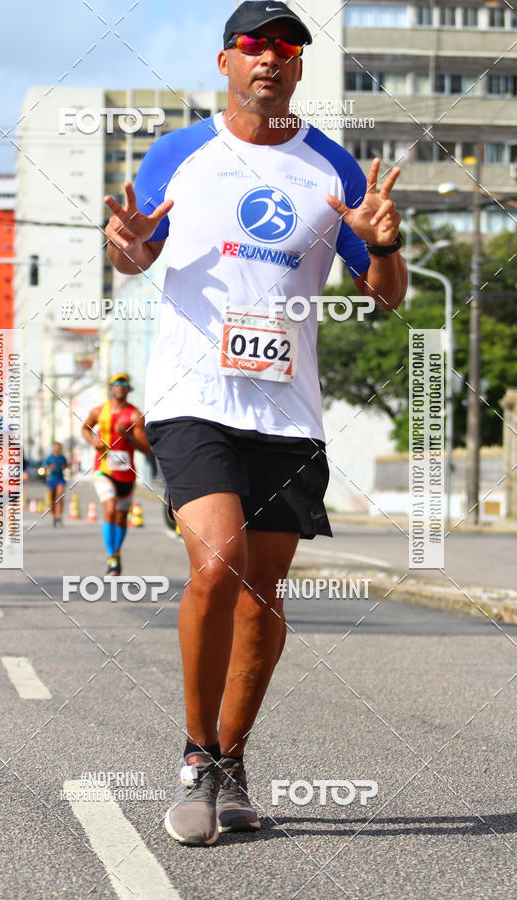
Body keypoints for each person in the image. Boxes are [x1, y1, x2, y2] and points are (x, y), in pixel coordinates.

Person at [104, 0, 406, 846]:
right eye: (253, 45)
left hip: (288, 407)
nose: (269, 58)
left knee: (262, 593)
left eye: (285, 47)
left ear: (300, 69)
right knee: (220, 561)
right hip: (193, 398)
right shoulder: (182, 153)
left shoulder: (332, 168)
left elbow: (384, 297)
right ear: (225, 61)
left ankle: (233, 764)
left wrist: (382, 245)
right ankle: (198, 756)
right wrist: (124, 247)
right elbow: (138, 250)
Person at [81, 373, 150, 575]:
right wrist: (93, 441)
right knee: (109, 510)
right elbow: (85, 428)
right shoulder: (98, 411)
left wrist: (126, 436)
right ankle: (111, 557)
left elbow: (146, 448)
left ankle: (117, 552)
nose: (120, 386)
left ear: (129, 389)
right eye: (116, 383)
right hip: (103, 470)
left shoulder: (135, 415)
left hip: (126, 474)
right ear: (110, 387)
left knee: (121, 518)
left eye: (125, 383)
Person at [42, 441, 69, 526]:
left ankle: (59, 516)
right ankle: (54, 515)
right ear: (54, 448)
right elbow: (43, 468)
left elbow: (65, 465)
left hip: (60, 479)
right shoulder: (49, 458)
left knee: (60, 496)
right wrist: (50, 467)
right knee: (52, 499)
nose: (57, 449)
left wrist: (65, 467)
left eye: (59, 447)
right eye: (56, 447)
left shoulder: (62, 458)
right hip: (51, 479)